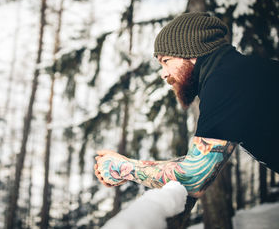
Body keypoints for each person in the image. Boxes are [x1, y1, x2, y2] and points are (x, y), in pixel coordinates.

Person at [94, 12, 279, 198]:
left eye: (166, 61)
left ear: (192, 54)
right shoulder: (234, 72)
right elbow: (199, 159)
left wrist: (123, 168)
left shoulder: (225, 81)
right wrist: (133, 167)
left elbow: (193, 177)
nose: (163, 74)